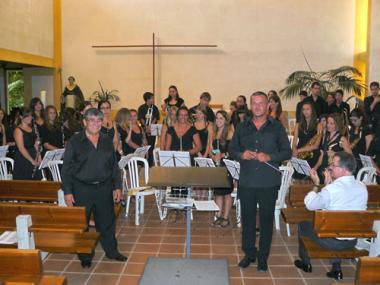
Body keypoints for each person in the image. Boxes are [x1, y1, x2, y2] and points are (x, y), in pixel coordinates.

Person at [229, 91, 291, 271]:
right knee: (247, 220)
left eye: (260, 103)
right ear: (250, 105)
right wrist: (242, 154)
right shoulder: (242, 126)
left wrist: (270, 156)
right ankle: (249, 253)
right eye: (253, 103)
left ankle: (263, 257)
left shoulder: (277, 127)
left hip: (267, 182)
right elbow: (232, 149)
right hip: (247, 181)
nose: (257, 106)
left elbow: (287, 152)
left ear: (267, 106)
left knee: (266, 222)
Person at [62, 108, 127, 268]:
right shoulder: (74, 142)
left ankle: (112, 252)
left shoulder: (106, 140)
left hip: (104, 188)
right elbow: (66, 170)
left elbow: (113, 166)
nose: (95, 123)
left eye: (98, 120)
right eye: (91, 120)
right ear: (84, 122)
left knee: (107, 222)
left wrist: (117, 186)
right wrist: (68, 192)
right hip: (81, 189)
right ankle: (85, 256)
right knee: (82, 225)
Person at [294, 152, 367, 280]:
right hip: (352, 240)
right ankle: (336, 268)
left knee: (303, 224)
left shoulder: (332, 189)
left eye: (334, 165)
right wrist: (329, 185)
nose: (330, 167)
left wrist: (317, 184)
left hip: (331, 242)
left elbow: (310, 204)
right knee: (338, 226)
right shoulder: (362, 187)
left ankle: (305, 262)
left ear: (344, 170)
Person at [210, 110, 234, 227]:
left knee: (226, 193)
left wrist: (223, 155)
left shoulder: (229, 133)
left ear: (225, 120)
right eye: (217, 118)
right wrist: (213, 155)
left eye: (221, 118)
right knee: (218, 192)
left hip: (226, 165)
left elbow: (233, 151)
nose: (218, 120)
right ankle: (219, 216)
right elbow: (211, 149)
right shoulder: (214, 132)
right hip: (217, 165)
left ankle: (226, 217)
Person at [313, 113, 352, 183]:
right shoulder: (326, 136)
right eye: (328, 123)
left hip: (334, 172)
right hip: (323, 169)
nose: (328, 125)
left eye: (332, 123)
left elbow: (350, 156)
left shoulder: (342, 138)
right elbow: (322, 155)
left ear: (337, 124)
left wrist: (335, 153)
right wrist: (315, 168)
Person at [13, 108, 42, 180]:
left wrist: (39, 157)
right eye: (27, 116)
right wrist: (32, 161)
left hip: (33, 155)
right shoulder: (18, 130)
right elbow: (21, 148)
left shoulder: (32, 128)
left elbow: (36, 145)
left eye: (31, 115)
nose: (30, 118)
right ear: (21, 117)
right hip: (23, 158)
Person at [292, 102, 322, 171]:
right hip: (299, 153)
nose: (305, 111)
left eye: (308, 109)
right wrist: (294, 150)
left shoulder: (319, 125)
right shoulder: (298, 125)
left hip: (312, 153)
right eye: (303, 109)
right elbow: (294, 142)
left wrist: (298, 150)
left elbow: (316, 146)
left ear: (312, 111)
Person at [138, 92, 160, 166]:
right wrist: (146, 126)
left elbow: (156, 117)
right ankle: (142, 163)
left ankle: (150, 164)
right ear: (148, 99)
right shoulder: (141, 108)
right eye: (152, 98)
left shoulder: (155, 107)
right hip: (144, 129)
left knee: (151, 146)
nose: (153, 99)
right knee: (144, 146)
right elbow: (141, 118)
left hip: (152, 129)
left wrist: (150, 125)